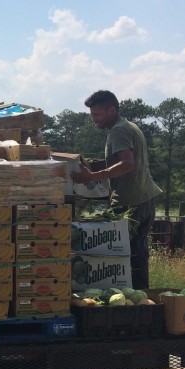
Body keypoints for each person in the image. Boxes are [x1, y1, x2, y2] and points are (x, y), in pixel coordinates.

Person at [70, 90, 162, 290]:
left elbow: (126, 164)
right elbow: (121, 161)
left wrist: (91, 177)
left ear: (111, 110)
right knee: (138, 255)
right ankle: (141, 298)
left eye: (97, 115)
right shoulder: (130, 126)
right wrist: (92, 165)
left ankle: (131, 303)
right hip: (145, 198)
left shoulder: (118, 131)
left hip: (131, 202)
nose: (94, 120)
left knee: (120, 257)